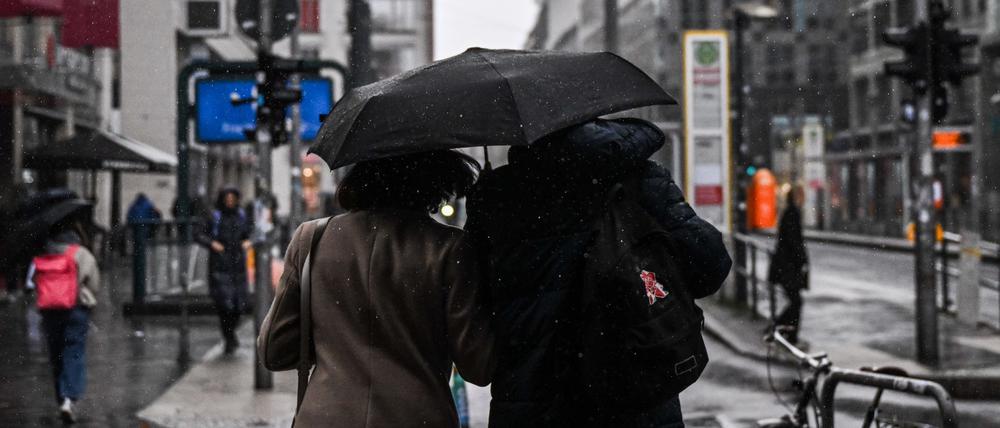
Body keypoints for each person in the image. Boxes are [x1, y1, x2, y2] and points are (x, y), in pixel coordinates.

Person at [466, 118, 732, 428]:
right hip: (635, 394)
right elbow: (710, 267)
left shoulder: (498, 197)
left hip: (533, 403)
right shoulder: (638, 179)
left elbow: (475, 302)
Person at [258, 150, 495, 427]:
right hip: (417, 417)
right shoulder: (449, 248)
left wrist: (335, 342)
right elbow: (479, 366)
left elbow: (274, 351)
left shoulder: (311, 239)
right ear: (435, 179)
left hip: (327, 416)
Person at [28, 217, 100, 424]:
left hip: (50, 310)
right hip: (76, 309)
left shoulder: (43, 253)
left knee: (56, 354)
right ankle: (69, 400)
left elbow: (34, 282)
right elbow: (94, 283)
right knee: (73, 351)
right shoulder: (81, 254)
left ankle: (61, 398)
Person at [197, 187, 252, 354]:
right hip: (219, 266)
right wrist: (212, 243)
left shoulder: (241, 216)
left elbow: (251, 233)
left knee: (238, 306)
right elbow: (199, 234)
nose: (230, 201)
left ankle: (230, 334)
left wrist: (248, 241)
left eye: (232, 198)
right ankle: (229, 338)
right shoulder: (215, 217)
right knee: (224, 305)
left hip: (238, 267)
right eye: (227, 198)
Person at [768, 185, 809, 344]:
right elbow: (794, 241)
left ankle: (783, 330)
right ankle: (782, 331)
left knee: (795, 301)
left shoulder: (789, 212)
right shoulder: (793, 213)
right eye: (802, 194)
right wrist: (802, 261)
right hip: (788, 267)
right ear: (797, 196)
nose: (804, 197)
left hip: (785, 266)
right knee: (796, 302)